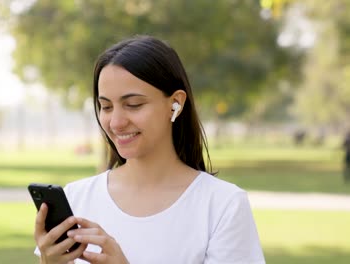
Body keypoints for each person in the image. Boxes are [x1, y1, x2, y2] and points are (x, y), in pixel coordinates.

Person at [33, 35, 265, 264]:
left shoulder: (222, 205)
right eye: (106, 106)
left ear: (176, 103)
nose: (116, 122)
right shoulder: (76, 198)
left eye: (133, 105)